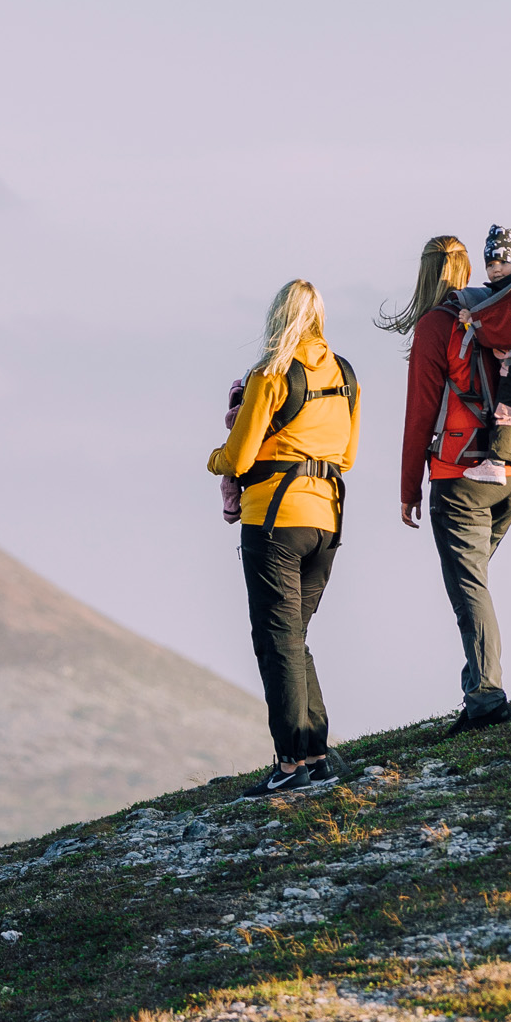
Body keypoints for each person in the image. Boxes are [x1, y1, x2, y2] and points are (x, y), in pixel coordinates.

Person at [208, 279, 358, 796]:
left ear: (278, 316)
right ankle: (315, 754)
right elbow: (348, 455)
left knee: (276, 641)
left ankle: (291, 764)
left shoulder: (271, 373)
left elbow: (240, 454)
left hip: (274, 518)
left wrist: (216, 460)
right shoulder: (345, 374)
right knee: (293, 636)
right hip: (327, 519)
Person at [389, 228, 511, 733]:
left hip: (462, 477)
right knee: (470, 584)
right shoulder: (499, 310)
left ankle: (486, 700)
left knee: (468, 586)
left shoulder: (437, 325)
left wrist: (410, 487)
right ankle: (477, 688)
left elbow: (419, 414)